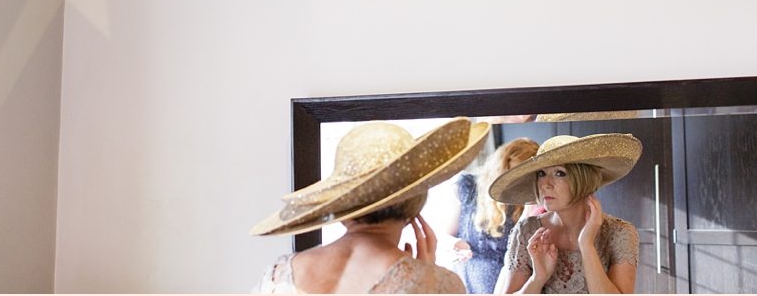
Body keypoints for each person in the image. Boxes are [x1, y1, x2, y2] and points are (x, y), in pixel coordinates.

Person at [250, 117, 490, 293]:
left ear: (341, 206)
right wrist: (427, 278)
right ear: (416, 203)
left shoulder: (277, 273)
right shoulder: (439, 285)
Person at [490, 133, 642, 294]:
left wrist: (587, 245)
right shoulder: (527, 230)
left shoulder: (620, 233)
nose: (545, 184)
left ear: (584, 179)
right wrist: (538, 278)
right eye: (541, 174)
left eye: (559, 173)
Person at [450, 137, 540, 293]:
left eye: (523, 180)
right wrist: (454, 245)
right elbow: (447, 236)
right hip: (464, 285)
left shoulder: (531, 204)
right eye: (510, 176)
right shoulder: (470, 188)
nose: (514, 186)